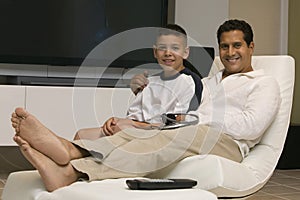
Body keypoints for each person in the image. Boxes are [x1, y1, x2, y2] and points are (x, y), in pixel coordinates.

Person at [11, 19, 281, 192]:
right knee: (142, 135)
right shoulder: (210, 81)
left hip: (228, 143)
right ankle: (70, 152)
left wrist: (199, 119)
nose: (230, 52)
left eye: (237, 45)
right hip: (193, 131)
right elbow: (178, 111)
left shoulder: (263, 83)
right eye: (224, 47)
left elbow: (251, 126)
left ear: (251, 47)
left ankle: (71, 167)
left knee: (170, 136)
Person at [74, 24, 202, 140]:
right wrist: (115, 122)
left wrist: (133, 124)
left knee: (121, 129)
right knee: (82, 135)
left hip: (161, 136)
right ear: (155, 52)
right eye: (162, 48)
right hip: (136, 129)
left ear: (185, 52)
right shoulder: (149, 81)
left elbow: (178, 124)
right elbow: (133, 116)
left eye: (175, 48)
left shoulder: (190, 81)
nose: (168, 53)